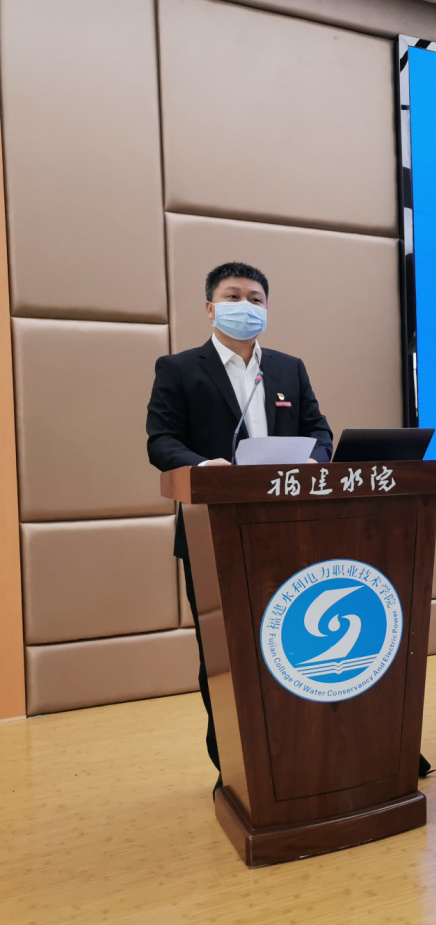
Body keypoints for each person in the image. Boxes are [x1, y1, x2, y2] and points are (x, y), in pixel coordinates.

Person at [146, 261, 333, 783]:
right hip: (214, 530)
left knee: (293, 645)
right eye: (234, 296)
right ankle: (232, 768)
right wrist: (202, 467)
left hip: (289, 529)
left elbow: (320, 432)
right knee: (225, 653)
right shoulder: (179, 369)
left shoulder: (288, 368)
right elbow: (161, 442)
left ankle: (302, 755)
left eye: (256, 299)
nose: (246, 306)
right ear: (210, 308)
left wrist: (314, 460)